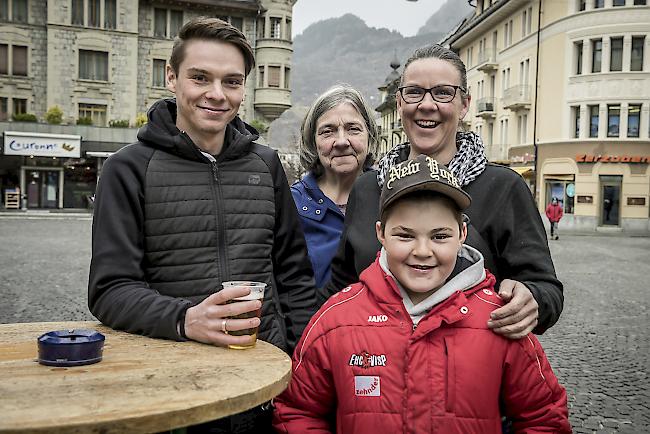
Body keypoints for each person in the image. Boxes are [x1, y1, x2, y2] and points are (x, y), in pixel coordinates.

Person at [88, 17, 315, 433]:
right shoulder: (127, 169)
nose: (216, 94)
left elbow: (293, 275)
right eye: (200, 77)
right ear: (172, 78)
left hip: (261, 385)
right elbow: (110, 290)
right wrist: (185, 319)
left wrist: (301, 360)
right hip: (170, 390)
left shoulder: (266, 165)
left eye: (231, 81)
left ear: (244, 88)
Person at [273, 155, 572, 433]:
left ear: (462, 235)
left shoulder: (500, 320)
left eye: (440, 236)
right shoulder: (336, 320)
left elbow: (544, 418)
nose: (422, 251)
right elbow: (297, 411)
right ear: (380, 233)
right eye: (404, 235)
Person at [325, 44, 563, 339]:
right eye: (414, 92)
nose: (426, 104)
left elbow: (547, 290)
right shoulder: (368, 187)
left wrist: (532, 299)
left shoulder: (504, 188)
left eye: (442, 92)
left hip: (469, 369)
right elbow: (342, 282)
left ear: (464, 105)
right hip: (374, 367)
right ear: (399, 103)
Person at [291, 84, 379, 289]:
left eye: (353, 129)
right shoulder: (290, 206)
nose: (341, 141)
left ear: (370, 135)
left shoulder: (391, 197)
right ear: (313, 141)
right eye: (328, 131)